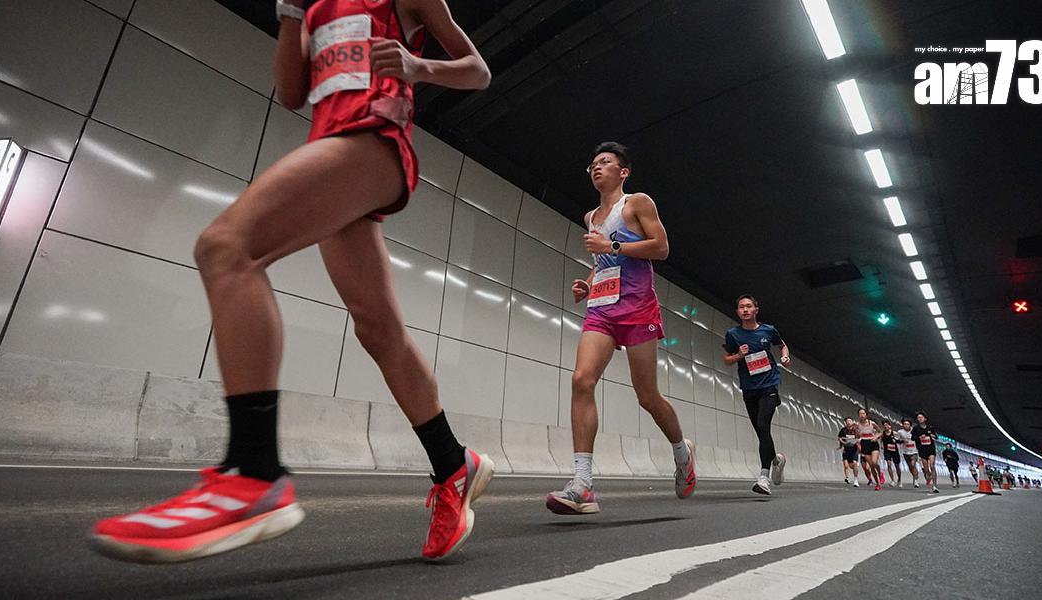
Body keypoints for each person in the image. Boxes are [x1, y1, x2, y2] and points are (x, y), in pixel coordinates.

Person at [91, 0, 495, 563]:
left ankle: (254, 473)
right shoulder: (314, 8)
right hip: (332, 148)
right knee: (379, 331)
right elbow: (290, 92)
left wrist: (417, 66)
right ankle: (453, 463)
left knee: (226, 248)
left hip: (374, 142)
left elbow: (478, 71)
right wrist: (290, 13)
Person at [546, 142, 697, 515]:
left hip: (637, 307)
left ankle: (683, 453)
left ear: (623, 171)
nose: (596, 167)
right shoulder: (590, 217)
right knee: (581, 380)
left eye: (605, 162)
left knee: (647, 396)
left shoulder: (637, 203)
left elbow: (661, 248)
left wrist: (611, 244)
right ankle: (582, 484)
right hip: (601, 309)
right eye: (592, 164)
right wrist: (588, 283)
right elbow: (603, 261)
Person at [724, 295, 791, 496]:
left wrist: (785, 356)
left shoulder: (768, 330)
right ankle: (777, 460)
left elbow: (782, 345)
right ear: (737, 312)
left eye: (748, 306)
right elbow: (727, 359)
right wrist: (739, 355)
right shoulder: (733, 334)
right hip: (749, 388)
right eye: (741, 307)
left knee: (763, 426)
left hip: (769, 385)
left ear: (756, 310)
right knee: (761, 432)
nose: (745, 310)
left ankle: (763, 477)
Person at [856, 408, 883, 491]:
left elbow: (880, 432)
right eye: (860, 414)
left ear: (866, 415)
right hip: (865, 444)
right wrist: (857, 432)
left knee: (874, 462)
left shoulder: (872, 423)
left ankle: (880, 473)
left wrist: (876, 437)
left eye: (863, 413)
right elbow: (857, 436)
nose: (862, 415)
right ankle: (877, 484)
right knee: (871, 465)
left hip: (873, 443)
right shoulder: (857, 424)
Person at [912, 411, 939, 493]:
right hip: (922, 450)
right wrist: (919, 437)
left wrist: (933, 436)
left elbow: (936, 437)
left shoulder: (930, 428)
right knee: (926, 470)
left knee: (932, 466)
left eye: (921, 417)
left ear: (925, 419)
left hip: (931, 449)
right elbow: (913, 438)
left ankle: (934, 486)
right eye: (918, 418)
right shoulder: (916, 428)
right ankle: (929, 475)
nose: (920, 419)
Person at [838, 416, 861, 487]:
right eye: (847, 421)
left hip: (854, 449)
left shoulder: (855, 430)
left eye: (850, 421)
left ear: (852, 422)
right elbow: (839, 437)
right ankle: (847, 477)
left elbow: (860, 438)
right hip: (846, 449)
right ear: (845, 423)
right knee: (847, 465)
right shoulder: (843, 430)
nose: (848, 422)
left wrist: (856, 441)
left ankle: (856, 480)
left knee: (854, 464)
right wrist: (843, 443)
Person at [897, 418, 919, 487]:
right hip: (905, 451)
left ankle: (916, 481)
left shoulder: (914, 430)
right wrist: (903, 441)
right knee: (910, 466)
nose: (906, 425)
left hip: (914, 451)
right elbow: (897, 441)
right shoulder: (900, 432)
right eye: (905, 424)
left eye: (908, 424)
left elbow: (918, 438)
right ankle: (915, 476)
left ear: (910, 425)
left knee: (913, 464)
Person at [881, 420, 902, 486]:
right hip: (887, 451)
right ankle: (892, 480)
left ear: (890, 426)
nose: (886, 426)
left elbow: (900, 440)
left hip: (894, 451)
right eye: (884, 425)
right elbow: (881, 440)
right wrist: (881, 445)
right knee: (889, 464)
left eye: (887, 425)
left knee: (897, 466)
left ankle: (899, 479)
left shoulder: (894, 433)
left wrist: (896, 441)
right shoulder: (883, 433)